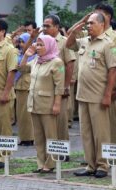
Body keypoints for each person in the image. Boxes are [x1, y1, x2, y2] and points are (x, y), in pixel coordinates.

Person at [66, 12, 116, 178]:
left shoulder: (108, 44)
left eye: (91, 23)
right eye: (87, 23)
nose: (88, 26)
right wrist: (80, 23)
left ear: (102, 25)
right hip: (83, 95)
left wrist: (108, 95)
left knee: (100, 133)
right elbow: (68, 41)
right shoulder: (84, 42)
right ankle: (90, 164)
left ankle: (103, 165)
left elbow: (113, 70)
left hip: (98, 95)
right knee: (86, 132)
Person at [20, 35, 65, 173]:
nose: (38, 47)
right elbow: (22, 69)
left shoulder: (56, 62)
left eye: (41, 45)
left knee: (50, 135)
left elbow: (59, 86)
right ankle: (40, 163)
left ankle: (50, 163)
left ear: (49, 45)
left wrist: (57, 104)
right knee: (38, 136)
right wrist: (26, 55)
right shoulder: (36, 61)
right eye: (37, 45)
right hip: (34, 103)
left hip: (48, 104)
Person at [41, 15, 75, 162]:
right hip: (45, 87)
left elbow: (70, 64)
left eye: (47, 26)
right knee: (49, 120)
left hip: (60, 87)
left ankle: (63, 151)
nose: (44, 28)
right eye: (44, 25)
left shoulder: (64, 42)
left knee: (61, 120)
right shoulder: (42, 41)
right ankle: (51, 151)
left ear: (56, 27)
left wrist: (66, 86)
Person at [94, 3, 116, 144]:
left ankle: (111, 158)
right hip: (94, 87)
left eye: (98, 14)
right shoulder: (91, 35)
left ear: (107, 16)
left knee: (112, 123)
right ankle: (96, 156)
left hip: (110, 87)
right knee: (96, 124)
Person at [0, 18, 18, 168]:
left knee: (4, 127)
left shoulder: (9, 49)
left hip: (2, 96)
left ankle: (4, 156)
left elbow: (11, 73)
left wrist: (6, 93)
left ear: (2, 31)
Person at [15, 32, 35, 146]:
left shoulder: (32, 55)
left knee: (26, 114)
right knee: (21, 114)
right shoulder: (20, 54)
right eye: (20, 42)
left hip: (26, 86)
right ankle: (24, 137)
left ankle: (28, 138)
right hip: (19, 86)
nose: (22, 44)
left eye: (24, 42)